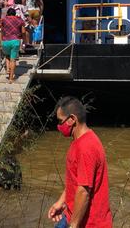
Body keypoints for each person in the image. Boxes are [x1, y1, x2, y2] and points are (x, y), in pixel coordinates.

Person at [48, 96, 112, 228]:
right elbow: (76, 181)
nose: (59, 126)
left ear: (72, 119)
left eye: (61, 121)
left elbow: (83, 191)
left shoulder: (86, 147)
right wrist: (61, 202)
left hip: (89, 223)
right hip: (70, 215)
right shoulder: (79, 141)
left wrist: (73, 225)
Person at [0, 8, 26, 83]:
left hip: (5, 42)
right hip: (15, 41)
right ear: (15, 14)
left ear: (7, 14)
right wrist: (24, 40)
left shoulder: (3, 19)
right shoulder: (20, 20)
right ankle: (11, 79)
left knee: (7, 56)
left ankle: (8, 71)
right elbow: (23, 31)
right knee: (13, 60)